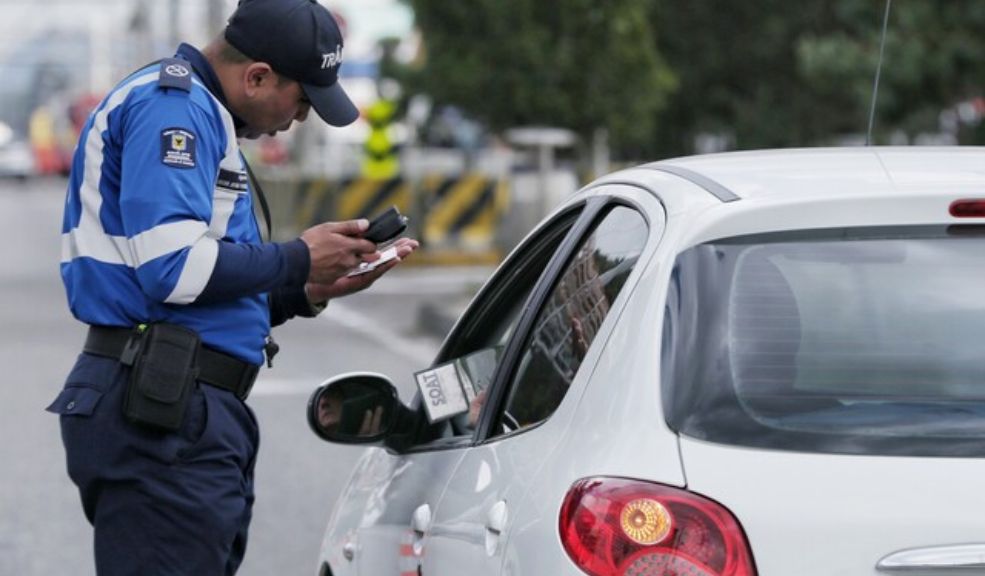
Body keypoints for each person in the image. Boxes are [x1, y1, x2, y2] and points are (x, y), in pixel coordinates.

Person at [46, 0, 417, 574]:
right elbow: (172, 267)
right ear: (258, 76)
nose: (301, 120)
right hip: (160, 412)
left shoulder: (204, 116)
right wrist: (297, 256)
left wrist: (311, 287)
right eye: (302, 100)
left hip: (178, 405)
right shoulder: (173, 110)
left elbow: (201, 291)